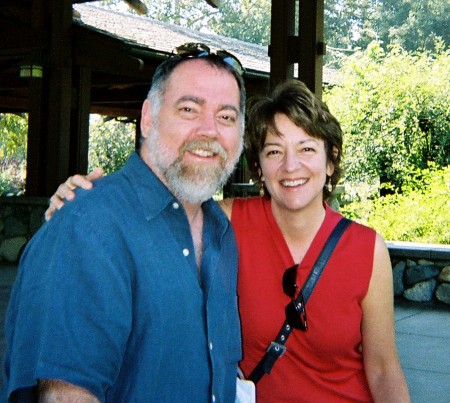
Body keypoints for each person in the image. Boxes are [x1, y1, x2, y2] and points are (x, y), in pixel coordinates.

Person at [44, 80, 411, 402]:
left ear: (330, 162)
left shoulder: (366, 249)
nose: (290, 166)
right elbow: (150, 213)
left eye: (307, 149)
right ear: (259, 168)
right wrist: (83, 201)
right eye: (273, 151)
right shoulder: (228, 220)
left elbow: (382, 370)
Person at [2, 43, 246, 402]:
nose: (209, 130)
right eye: (189, 109)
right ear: (148, 118)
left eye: (226, 116)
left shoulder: (221, 233)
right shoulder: (88, 226)